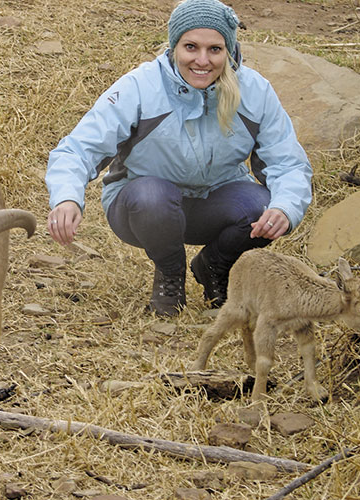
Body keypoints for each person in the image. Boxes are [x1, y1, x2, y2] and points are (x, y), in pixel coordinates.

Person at [45, 0, 312, 317]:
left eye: (215, 49)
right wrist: (67, 199)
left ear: (229, 49)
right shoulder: (140, 87)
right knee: (152, 196)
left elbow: (288, 164)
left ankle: (215, 265)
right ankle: (170, 274)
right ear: (174, 47)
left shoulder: (255, 91)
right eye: (191, 47)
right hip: (143, 207)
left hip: (215, 201)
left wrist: (284, 207)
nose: (202, 60)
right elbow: (78, 149)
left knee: (263, 207)